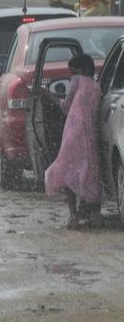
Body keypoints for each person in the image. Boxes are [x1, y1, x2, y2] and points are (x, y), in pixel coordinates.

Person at [42, 54, 103, 228]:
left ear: (80, 70)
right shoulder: (97, 87)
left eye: (72, 72)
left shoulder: (77, 80)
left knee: (67, 170)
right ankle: (95, 214)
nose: (71, 75)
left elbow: (67, 106)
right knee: (90, 172)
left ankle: (73, 215)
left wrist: (48, 96)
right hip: (90, 135)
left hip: (74, 134)